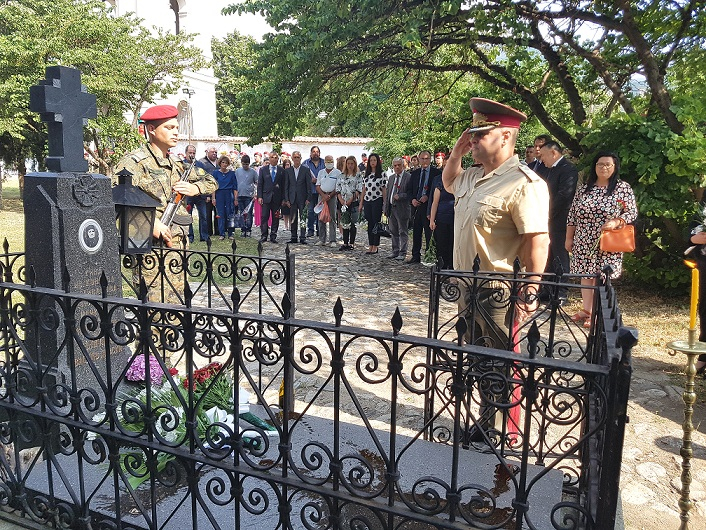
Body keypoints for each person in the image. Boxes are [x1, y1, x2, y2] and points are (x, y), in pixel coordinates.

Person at [443, 97, 550, 441]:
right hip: (464, 283)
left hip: (496, 288)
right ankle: (487, 419)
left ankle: (503, 429)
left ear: (504, 137)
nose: (472, 139)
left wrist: (531, 288)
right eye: (471, 134)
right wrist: (457, 153)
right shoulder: (473, 175)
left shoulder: (524, 183)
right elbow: (448, 183)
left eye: (480, 134)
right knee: (477, 359)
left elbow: (537, 239)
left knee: (499, 362)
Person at [114, 105, 217, 301]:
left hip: (178, 248)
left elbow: (212, 181)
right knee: (153, 314)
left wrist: (195, 189)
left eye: (176, 127)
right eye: (169, 128)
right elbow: (117, 200)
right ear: (151, 130)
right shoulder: (135, 162)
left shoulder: (177, 164)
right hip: (150, 250)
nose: (176, 132)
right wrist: (150, 223)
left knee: (176, 311)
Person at [565, 151, 637, 325]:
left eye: (607, 165)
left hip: (607, 239)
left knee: (601, 276)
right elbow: (573, 215)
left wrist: (617, 221)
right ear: (594, 166)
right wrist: (569, 238)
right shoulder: (584, 188)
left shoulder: (622, 188)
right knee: (585, 274)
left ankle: (597, 312)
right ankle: (586, 309)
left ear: (614, 167)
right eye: (600, 164)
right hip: (583, 238)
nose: (603, 168)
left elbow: (631, 212)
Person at [537, 141, 578, 303]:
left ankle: (561, 290)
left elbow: (564, 195)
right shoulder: (548, 170)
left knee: (560, 255)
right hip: (546, 219)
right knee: (548, 255)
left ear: (554, 153)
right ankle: (547, 288)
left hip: (560, 220)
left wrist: (547, 212)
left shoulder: (568, 169)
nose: (542, 159)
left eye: (544, 155)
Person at [408, 150, 440, 263]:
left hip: (428, 207)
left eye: (427, 158)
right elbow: (409, 190)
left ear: (430, 159)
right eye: (422, 159)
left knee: (428, 233)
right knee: (416, 232)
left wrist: (427, 197)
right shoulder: (415, 173)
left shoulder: (436, 173)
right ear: (419, 159)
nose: (424, 161)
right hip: (416, 207)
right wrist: (412, 200)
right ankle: (415, 255)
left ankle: (429, 255)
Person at [384, 157, 412, 260]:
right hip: (392, 208)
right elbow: (388, 194)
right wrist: (386, 208)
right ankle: (395, 251)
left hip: (402, 208)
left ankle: (403, 252)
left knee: (402, 231)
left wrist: (401, 196)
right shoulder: (391, 178)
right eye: (395, 165)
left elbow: (410, 193)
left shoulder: (408, 177)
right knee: (393, 230)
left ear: (403, 165)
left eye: (398, 165)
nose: (396, 167)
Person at [359, 153, 386, 255]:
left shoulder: (382, 174)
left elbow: (384, 189)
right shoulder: (366, 174)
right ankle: (370, 244)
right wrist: (361, 203)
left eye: (374, 160)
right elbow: (364, 189)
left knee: (376, 223)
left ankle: (375, 245)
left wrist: (384, 203)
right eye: (371, 160)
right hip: (367, 200)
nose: (373, 162)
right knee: (370, 223)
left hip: (377, 200)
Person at [284, 151, 313, 244]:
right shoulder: (288, 171)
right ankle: (293, 236)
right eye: (295, 157)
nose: (296, 159)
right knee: (293, 218)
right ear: (292, 159)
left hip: (303, 198)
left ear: (300, 158)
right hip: (292, 198)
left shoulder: (305, 170)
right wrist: (287, 199)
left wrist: (309, 198)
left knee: (303, 217)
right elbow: (286, 186)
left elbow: (309, 185)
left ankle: (303, 237)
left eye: (298, 157)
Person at [257, 151, 286, 243]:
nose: (274, 159)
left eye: (276, 157)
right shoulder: (263, 170)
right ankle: (264, 235)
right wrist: (259, 196)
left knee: (276, 217)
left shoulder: (281, 170)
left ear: (278, 159)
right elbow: (260, 184)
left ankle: (273, 235)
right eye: (272, 157)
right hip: (266, 197)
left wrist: (283, 198)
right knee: (264, 217)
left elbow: (283, 185)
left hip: (277, 198)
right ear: (269, 158)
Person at [428, 172, 455, 269]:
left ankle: (452, 268)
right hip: (441, 218)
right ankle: (442, 268)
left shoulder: (461, 182)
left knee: (453, 245)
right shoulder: (440, 184)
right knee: (442, 244)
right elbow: (434, 203)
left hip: (456, 219)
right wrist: (432, 220)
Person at [336, 156, 362, 250]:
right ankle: (345, 242)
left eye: (352, 164)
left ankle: (352, 243)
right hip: (343, 201)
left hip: (353, 201)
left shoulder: (358, 175)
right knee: (345, 222)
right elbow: (338, 189)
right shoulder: (341, 175)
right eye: (348, 164)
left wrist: (351, 200)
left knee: (353, 223)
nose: (350, 166)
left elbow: (359, 189)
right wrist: (341, 200)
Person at [315, 155, 340, 247]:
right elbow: (317, 185)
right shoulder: (321, 172)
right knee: (321, 217)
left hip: (332, 197)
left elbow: (338, 186)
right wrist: (323, 195)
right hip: (322, 196)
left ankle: (332, 239)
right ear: (324, 162)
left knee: (333, 217)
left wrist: (329, 195)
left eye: (331, 161)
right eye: (327, 161)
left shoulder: (337, 173)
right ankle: (322, 238)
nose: (329, 163)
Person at [195, 146, 220, 237]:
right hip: (206, 193)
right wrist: (206, 195)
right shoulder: (202, 163)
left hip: (218, 192)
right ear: (207, 152)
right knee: (207, 214)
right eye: (212, 152)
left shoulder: (219, 162)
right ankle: (208, 232)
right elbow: (200, 178)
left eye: (216, 152)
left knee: (218, 213)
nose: (214, 154)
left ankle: (218, 230)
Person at [213, 155, 238, 240]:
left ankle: (230, 233)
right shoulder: (216, 173)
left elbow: (235, 187)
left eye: (226, 163)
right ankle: (222, 233)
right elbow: (214, 186)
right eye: (223, 162)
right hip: (219, 194)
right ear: (220, 163)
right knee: (220, 214)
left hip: (229, 194)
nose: (224, 164)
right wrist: (213, 198)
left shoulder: (232, 173)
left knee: (230, 214)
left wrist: (235, 198)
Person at [303, 146, 325, 239]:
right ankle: (310, 230)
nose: (315, 153)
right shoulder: (305, 163)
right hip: (310, 191)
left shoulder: (324, 163)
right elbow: (302, 176)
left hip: (321, 191)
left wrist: (319, 180)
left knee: (320, 211)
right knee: (311, 211)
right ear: (310, 153)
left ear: (319, 153)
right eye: (313, 151)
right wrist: (310, 180)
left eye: (317, 151)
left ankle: (319, 230)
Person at [235, 154, 258, 237]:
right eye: (244, 164)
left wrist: (256, 193)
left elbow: (257, 183)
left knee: (248, 214)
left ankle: (248, 229)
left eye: (247, 164)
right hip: (240, 195)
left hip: (249, 196)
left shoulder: (253, 172)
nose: (245, 166)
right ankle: (243, 229)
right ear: (241, 163)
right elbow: (235, 183)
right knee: (241, 213)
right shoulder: (237, 171)